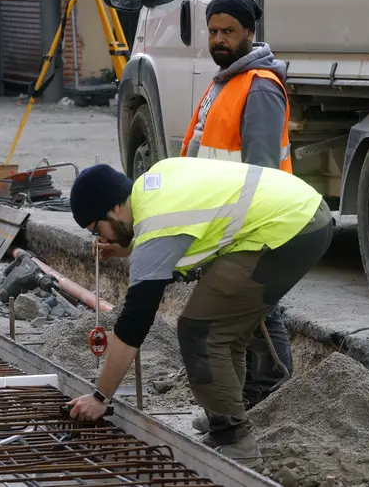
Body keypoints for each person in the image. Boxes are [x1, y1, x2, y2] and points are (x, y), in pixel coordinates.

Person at [65, 159, 333, 463]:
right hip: (302, 213)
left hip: (290, 229)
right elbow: (181, 224)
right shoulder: (155, 183)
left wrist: (100, 396)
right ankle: (227, 413)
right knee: (222, 331)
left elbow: (134, 323)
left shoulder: (158, 227)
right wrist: (127, 248)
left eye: (96, 229)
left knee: (199, 331)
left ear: (113, 209)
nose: (102, 240)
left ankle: (236, 441)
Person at [181, 0, 294, 419]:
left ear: (250, 32)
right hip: (222, 222)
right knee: (250, 315)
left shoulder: (260, 87)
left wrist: (242, 231)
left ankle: (272, 395)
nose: (219, 40)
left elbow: (261, 171)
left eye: (228, 31)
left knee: (260, 313)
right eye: (213, 32)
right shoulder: (225, 81)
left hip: (250, 225)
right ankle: (254, 395)